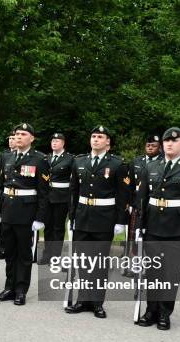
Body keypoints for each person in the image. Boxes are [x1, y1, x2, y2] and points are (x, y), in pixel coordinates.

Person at [136, 127, 180, 330]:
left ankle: (165, 313)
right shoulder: (151, 166)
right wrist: (139, 227)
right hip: (153, 226)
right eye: (167, 140)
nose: (169, 144)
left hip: (178, 228)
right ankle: (151, 310)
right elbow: (142, 200)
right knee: (153, 271)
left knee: (171, 273)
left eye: (174, 141)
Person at [65, 126, 129, 318]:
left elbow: (122, 194)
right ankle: (82, 299)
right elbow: (73, 192)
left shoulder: (117, 164)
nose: (96, 139)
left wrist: (120, 220)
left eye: (100, 137)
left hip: (104, 218)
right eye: (93, 136)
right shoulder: (79, 161)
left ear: (108, 142)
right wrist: (72, 216)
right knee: (83, 261)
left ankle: (96, 302)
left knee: (99, 263)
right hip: (83, 216)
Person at [0, 123, 50, 305]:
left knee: (24, 254)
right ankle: (9, 287)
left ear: (31, 138)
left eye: (23, 134)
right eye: (17, 134)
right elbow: (0, 186)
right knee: (9, 252)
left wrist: (40, 218)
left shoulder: (39, 159)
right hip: (8, 210)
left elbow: (44, 192)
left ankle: (20, 290)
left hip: (27, 212)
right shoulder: (6, 156)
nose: (18, 137)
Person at [40, 133, 73, 265]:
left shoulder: (70, 159)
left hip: (62, 197)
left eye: (57, 141)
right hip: (47, 196)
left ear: (63, 143)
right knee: (47, 227)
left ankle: (55, 257)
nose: (54, 143)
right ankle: (47, 254)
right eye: (53, 141)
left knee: (58, 228)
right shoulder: (46, 158)